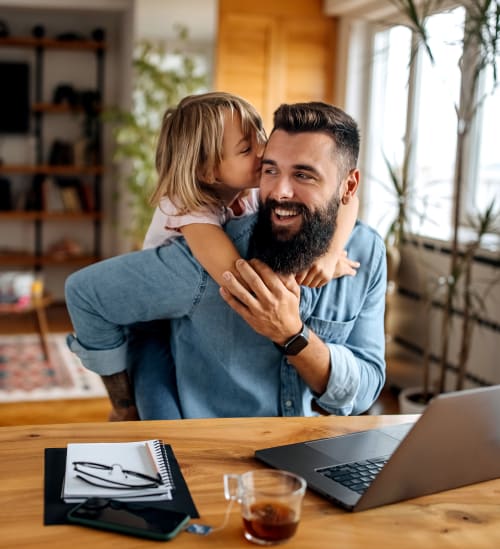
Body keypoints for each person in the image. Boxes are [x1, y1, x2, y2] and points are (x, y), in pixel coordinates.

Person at [65, 101, 386, 420]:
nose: (279, 189)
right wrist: (123, 406)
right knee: (156, 405)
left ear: (348, 184)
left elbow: (365, 391)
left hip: (309, 450)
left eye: (303, 175)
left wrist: (329, 254)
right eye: (269, 167)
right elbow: (241, 279)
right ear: (208, 170)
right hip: (160, 354)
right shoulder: (201, 233)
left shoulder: (365, 251)